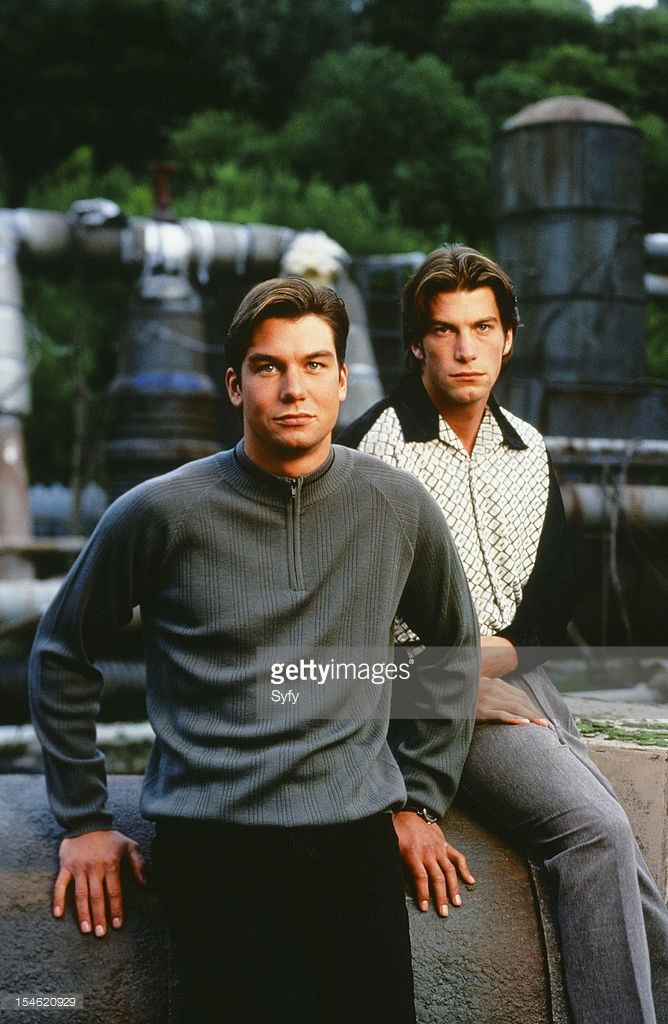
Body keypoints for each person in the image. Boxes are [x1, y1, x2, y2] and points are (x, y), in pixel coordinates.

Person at [29, 276, 480, 1024]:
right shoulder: (160, 512)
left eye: (314, 365)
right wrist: (85, 820)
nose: (293, 388)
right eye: (269, 367)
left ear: (342, 379)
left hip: (354, 840)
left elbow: (452, 645)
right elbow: (60, 652)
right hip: (214, 844)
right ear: (236, 385)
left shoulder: (398, 506)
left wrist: (422, 798)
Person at [339, 245, 668, 1024]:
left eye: (483, 328)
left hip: (518, 672)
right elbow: (343, 630)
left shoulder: (528, 446)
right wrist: (451, 681)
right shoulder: (370, 451)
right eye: (445, 330)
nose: (466, 349)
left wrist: (503, 656)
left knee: (633, 863)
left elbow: (555, 605)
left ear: (509, 338)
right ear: (416, 344)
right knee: (594, 832)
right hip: (427, 688)